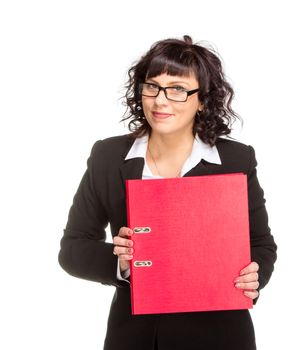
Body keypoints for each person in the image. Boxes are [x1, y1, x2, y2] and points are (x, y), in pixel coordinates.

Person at [58, 35, 277, 350]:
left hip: (220, 336)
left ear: (202, 99)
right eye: (152, 86)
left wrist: (255, 274)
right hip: (135, 337)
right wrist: (123, 263)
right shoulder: (108, 157)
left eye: (177, 89)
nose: (161, 100)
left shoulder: (235, 160)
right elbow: (73, 249)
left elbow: (261, 243)